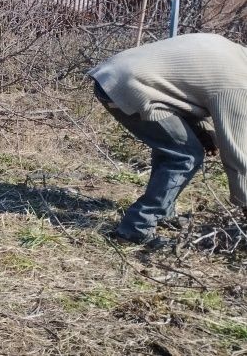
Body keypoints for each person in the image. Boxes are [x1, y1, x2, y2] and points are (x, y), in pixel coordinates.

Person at [89, 33, 247, 248]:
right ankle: (136, 229)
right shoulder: (238, 84)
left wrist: (204, 133)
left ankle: (163, 212)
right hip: (131, 86)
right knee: (185, 155)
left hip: (115, 76)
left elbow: (185, 91)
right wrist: (243, 210)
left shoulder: (233, 53)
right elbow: (237, 156)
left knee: (174, 148)